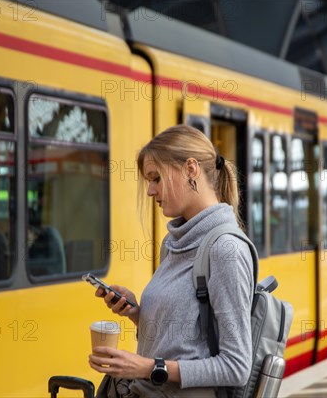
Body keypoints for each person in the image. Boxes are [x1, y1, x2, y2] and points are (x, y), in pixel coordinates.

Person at [89, 125, 254, 397]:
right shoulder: (174, 243)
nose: (150, 191)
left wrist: (148, 368)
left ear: (191, 170)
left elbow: (236, 366)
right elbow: (184, 340)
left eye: (155, 178)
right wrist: (136, 313)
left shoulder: (226, 249)